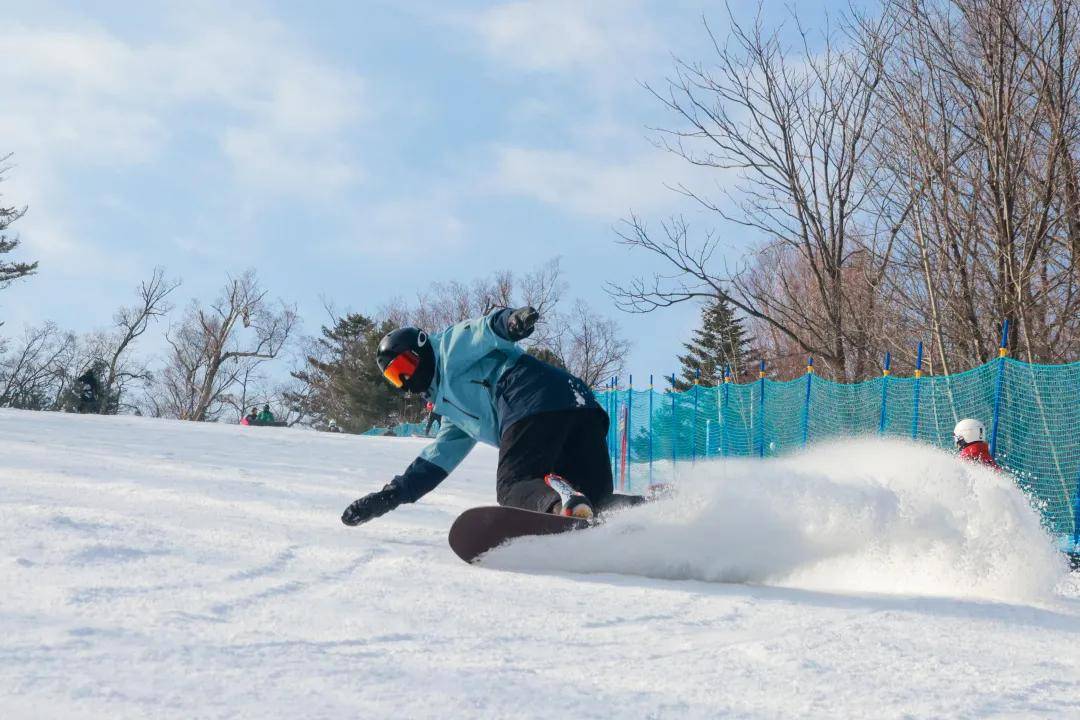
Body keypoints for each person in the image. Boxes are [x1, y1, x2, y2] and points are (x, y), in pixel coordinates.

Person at [341, 306, 640, 527]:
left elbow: (484, 330)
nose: (406, 380)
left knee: (514, 485)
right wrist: (390, 496)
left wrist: (511, 323)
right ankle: (652, 511)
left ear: (421, 349)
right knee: (597, 500)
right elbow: (436, 460)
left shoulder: (447, 349)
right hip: (580, 405)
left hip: (532, 396)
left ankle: (561, 507)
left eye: (404, 366)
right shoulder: (453, 414)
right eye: (396, 378)